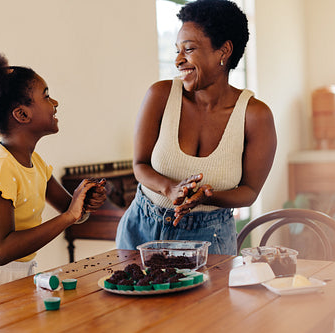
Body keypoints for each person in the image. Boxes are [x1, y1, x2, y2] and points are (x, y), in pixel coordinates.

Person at [0, 52, 106, 299]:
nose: (55, 103)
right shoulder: (0, 166)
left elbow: (73, 214)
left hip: (10, 276)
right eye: (46, 96)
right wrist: (70, 216)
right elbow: (1, 251)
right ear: (22, 115)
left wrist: (83, 202)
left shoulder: (35, 163)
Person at [115, 0, 276, 255]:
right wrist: (170, 188)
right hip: (141, 230)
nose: (178, 60)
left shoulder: (255, 115)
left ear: (223, 51)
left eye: (188, 49)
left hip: (209, 238)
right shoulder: (160, 95)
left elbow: (250, 191)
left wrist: (206, 197)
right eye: (177, 50)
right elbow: (140, 165)